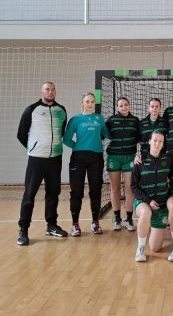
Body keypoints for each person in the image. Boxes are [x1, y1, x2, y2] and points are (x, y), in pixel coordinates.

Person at [15, 81, 68, 246]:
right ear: (42, 91)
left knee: (53, 193)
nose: (50, 92)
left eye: (53, 90)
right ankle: (23, 230)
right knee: (29, 195)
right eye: (47, 89)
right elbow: (21, 134)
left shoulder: (61, 110)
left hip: (55, 158)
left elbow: (61, 132)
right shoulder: (31, 110)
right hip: (36, 159)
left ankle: (51, 225)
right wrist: (34, 148)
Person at [63, 92, 110, 236]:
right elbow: (66, 139)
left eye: (92, 101)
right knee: (76, 191)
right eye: (87, 101)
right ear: (82, 103)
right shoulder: (75, 120)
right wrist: (78, 146)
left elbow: (107, 134)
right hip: (78, 157)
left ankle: (95, 222)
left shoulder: (99, 118)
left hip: (96, 157)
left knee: (95, 190)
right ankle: (75, 224)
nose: (90, 104)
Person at [131, 131, 173, 262]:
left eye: (160, 141)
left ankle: (150, 228)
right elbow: (134, 186)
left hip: (160, 206)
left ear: (163, 143)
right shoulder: (140, 161)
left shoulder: (167, 160)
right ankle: (140, 249)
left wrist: (168, 199)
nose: (157, 143)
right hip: (143, 202)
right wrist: (148, 201)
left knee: (155, 248)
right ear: (149, 141)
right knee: (146, 212)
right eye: (155, 140)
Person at [106, 97, 140, 231]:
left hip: (129, 157)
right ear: (117, 107)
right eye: (121, 105)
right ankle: (117, 218)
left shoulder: (135, 121)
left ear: (129, 106)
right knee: (114, 188)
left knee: (129, 188)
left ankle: (129, 218)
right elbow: (101, 135)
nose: (124, 107)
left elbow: (140, 138)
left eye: (126, 105)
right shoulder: (111, 120)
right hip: (114, 158)